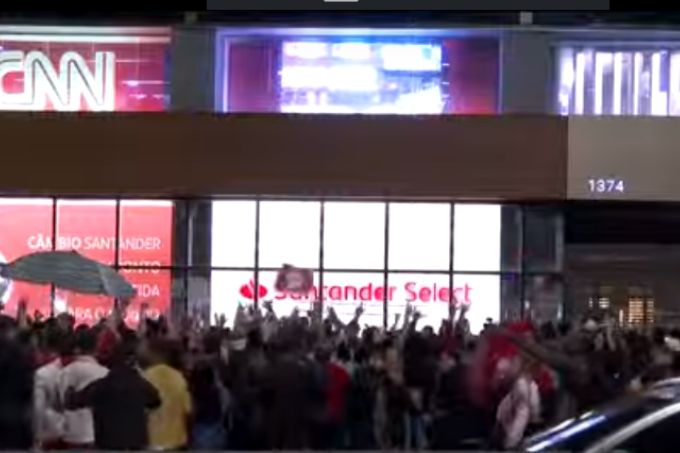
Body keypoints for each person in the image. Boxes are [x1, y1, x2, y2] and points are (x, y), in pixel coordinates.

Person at [66, 336, 162, 450]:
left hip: (107, 444)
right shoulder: (141, 385)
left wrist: (70, 389)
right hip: (136, 444)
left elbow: (73, 403)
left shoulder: (101, 386)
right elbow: (156, 401)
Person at [59, 327, 109, 448]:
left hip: (72, 433)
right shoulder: (106, 373)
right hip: (99, 433)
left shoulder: (66, 371)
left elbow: (62, 401)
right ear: (97, 346)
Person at [142, 338, 193, 451]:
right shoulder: (179, 377)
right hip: (176, 440)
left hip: (152, 440)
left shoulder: (146, 376)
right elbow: (188, 410)